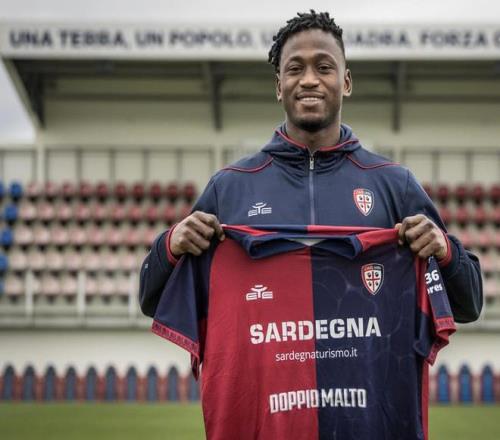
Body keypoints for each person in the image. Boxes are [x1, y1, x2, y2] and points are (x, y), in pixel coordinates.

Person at [140, 10, 482, 324]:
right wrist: (170, 247)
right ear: (279, 87)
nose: (308, 80)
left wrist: (444, 250)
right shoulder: (230, 187)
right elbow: (153, 302)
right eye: (295, 69)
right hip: (267, 374)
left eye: (323, 67)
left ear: (346, 82)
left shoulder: (394, 184)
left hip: (366, 374)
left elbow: (468, 305)